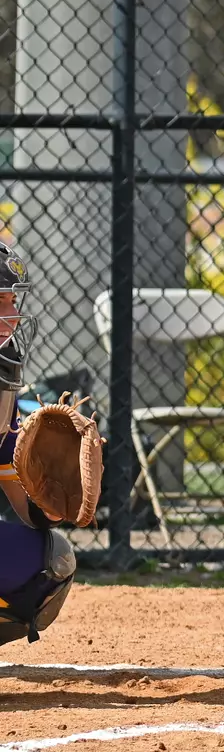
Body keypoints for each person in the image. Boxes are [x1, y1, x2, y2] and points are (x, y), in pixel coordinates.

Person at [0, 243, 78, 648]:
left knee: (53, 559)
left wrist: (47, 504)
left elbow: (9, 473)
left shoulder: (4, 367)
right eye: (0, 301)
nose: (11, 315)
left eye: (12, 301)